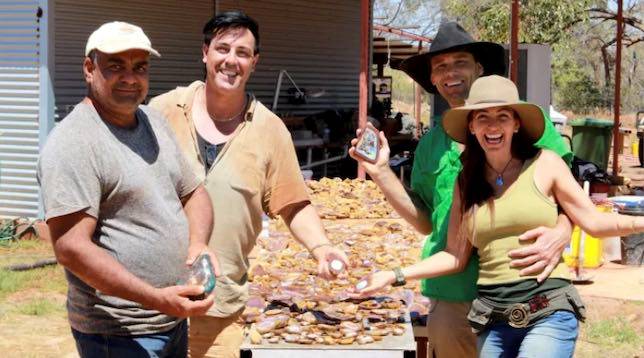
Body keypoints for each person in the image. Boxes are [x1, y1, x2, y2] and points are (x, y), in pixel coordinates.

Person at [354, 75, 644, 357]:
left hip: (547, 308)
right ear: (472, 127)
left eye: (502, 116)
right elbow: (455, 256)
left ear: (516, 124)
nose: (492, 126)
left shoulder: (545, 163)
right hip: (494, 317)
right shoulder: (466, 181)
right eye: (482, 117)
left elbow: (595, 222)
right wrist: (393, 275)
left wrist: (638, 222)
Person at [350, 22, 573, 357]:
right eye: (440, 67)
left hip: (525, 290)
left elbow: (570, 198)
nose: (450, 73)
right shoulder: (431, 145)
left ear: (479, 68)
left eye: (460, 62)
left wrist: (563, 230)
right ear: (434, 80)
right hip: (453, 295)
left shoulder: (525, 122)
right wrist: (380, 172)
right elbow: (426, 222)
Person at [149, 10, 348, 358]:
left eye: (242, 53)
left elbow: (292, 203)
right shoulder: (162, 112)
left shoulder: (269, 129)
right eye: (222, 49)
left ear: (254, 62)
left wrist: (321, 247)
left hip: (218, 308)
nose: (231, 60)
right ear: (205, 53)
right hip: (151, 303)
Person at [37, 22, 217, 358]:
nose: (131, 78)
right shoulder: (75, 142)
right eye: (116, 67)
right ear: (90, 69)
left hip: (170, 321)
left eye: (140, 68)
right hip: (119, 335)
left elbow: (194, 193)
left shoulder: (153, 122)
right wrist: (154, 297)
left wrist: (198, 244)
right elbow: (70, 248)